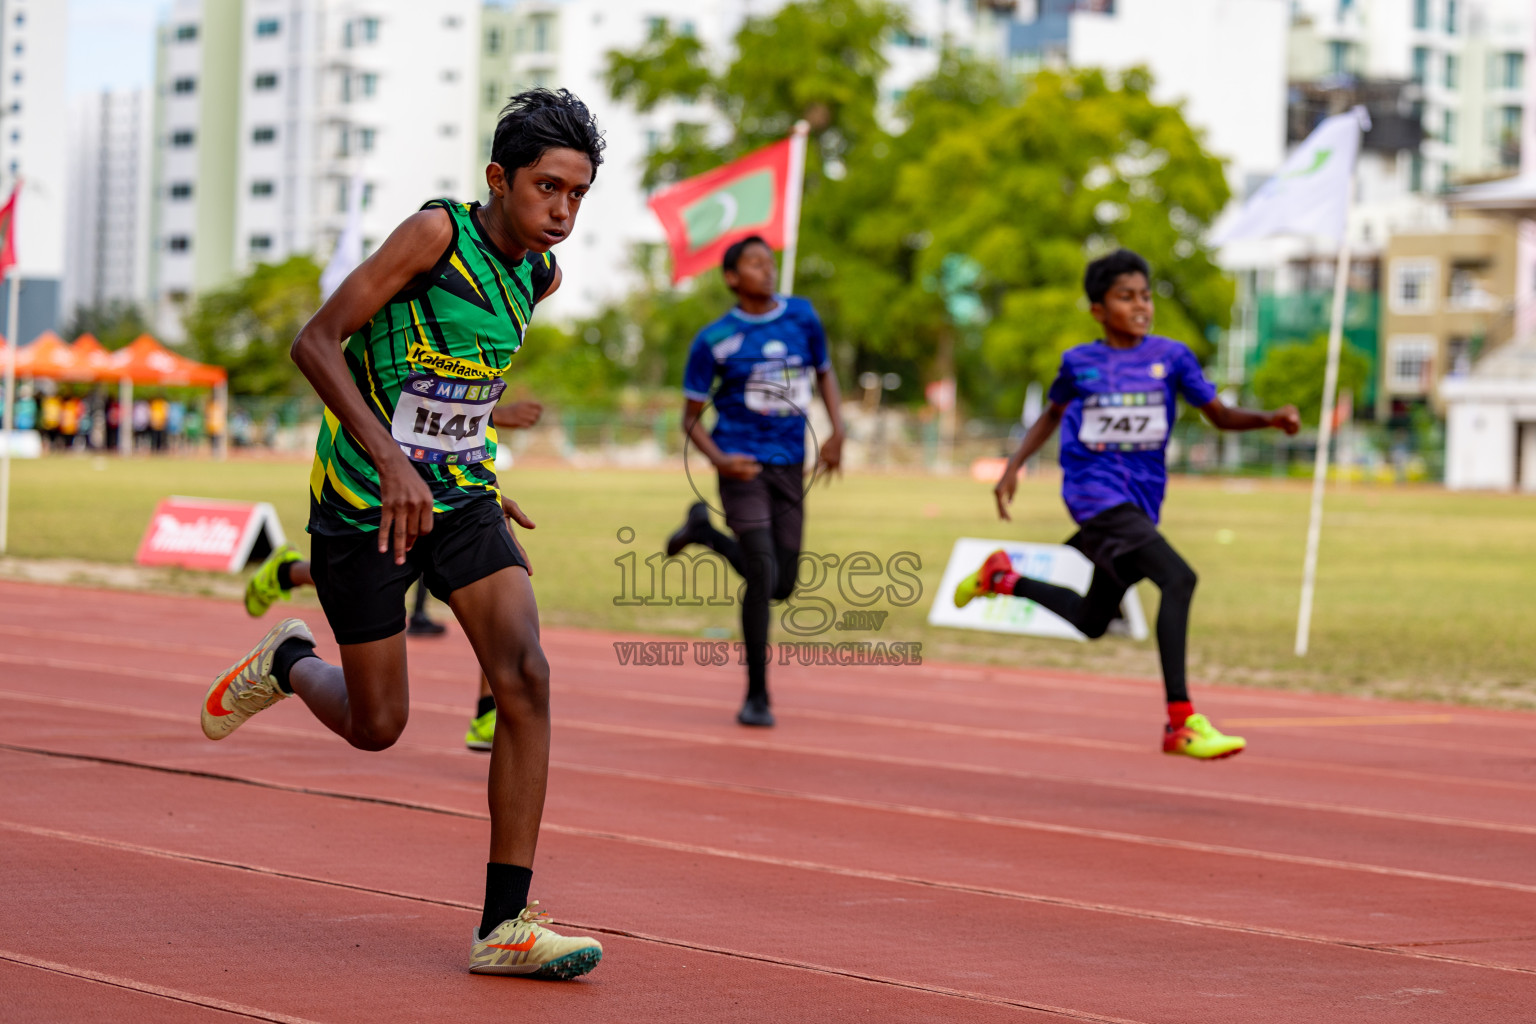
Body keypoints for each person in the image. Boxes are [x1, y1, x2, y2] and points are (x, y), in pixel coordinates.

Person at [201, 89, 605, 978]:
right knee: (378, 723)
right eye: (547, 188)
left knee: (526, 673)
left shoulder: (539, 275)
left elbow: (454, 384)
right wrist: (388, 459)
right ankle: (289, 662)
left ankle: (506, 924)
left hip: (456, 499)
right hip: (360, 502)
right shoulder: (436, 237)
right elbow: (317, 341)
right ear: (498, 179)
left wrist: (478, 470)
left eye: (578, 195)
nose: (563, 212)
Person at [955, 248, 1300, 760]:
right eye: (1125, 297)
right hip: (1093, 493)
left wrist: (1270, 418)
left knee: (1094, 620)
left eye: (1145, 295)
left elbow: (1220, 416)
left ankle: (1001, 579)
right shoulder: (1080, 364)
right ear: (1098, 309)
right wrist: (1014, 465)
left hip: (1140, 500)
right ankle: (1181, 722)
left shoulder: (1173, 358)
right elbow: (1052, 414)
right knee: (1179, 578)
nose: (1141, 306)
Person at [244, 396, 545, 751]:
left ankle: (487, 710)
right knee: (390, 568)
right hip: (374, 482)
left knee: (499, 597)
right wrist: (501, 415)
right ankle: (288, 577)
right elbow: (401, 388)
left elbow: (461, 391)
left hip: (461, 481)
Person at [662, 235, 845, 728]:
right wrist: (720, 460)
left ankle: (703, 533)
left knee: (783, 584)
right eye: (754, 263)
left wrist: (838, 431)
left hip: (791, 464)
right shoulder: (714, 339)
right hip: (742, 465)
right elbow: (690, 420)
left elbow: (825, 373)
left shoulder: (803, 316)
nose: (767, 270)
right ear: (732, 277)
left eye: (770, 262)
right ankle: (757, 695)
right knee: (762, 571)